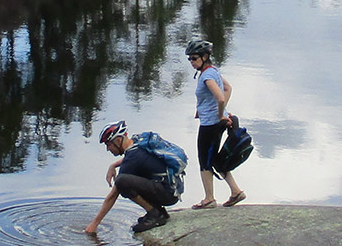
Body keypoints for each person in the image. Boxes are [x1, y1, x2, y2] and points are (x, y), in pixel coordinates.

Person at [83, 120, 186, 234]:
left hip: (167, 194)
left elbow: (113, 195)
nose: (108, 149)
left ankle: (154, 214)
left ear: (118, 140)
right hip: (171, 189)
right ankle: (159, 211)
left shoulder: (133, 157)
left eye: (108, 144)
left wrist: (94, 224)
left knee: (122, 181)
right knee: (129, 179)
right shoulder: (137, 142)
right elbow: (137, 159)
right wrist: (114, 165)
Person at [185, 39, 245, 208]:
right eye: (189, 59)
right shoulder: (213, 71)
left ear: (205, 56)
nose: (191, 62)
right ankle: (236, 192)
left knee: (204, 160)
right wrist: (224, 112)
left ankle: (209, 199)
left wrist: (220, 115)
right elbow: (228, 88)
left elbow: (220, 96)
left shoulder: (207, 76)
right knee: (215, 159)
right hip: (216, 122)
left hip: (211, 124)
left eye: (194, 58)